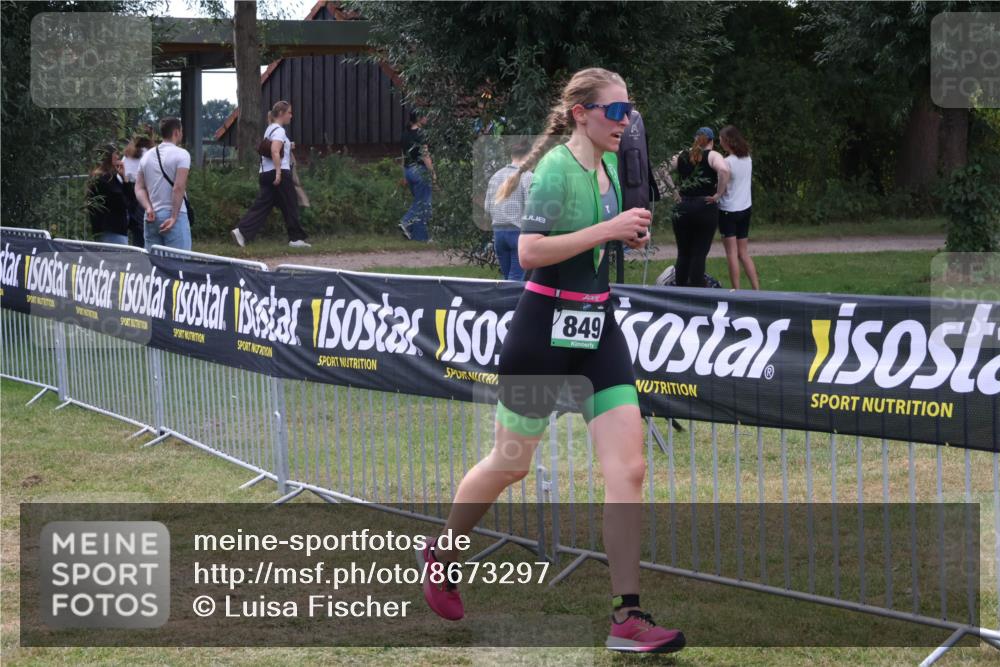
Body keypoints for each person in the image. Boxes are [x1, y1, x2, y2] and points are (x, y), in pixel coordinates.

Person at [415, 68, 685, 655]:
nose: (626, 123)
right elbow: (532, 251)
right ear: (582, 113)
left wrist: (624, 235)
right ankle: (443, 552)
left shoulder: (611, 165)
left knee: (629, 470)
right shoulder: (558, 169)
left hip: (597, 328)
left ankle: (627, 616)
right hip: (544, 327)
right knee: (510, 463)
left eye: (629, 112)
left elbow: (594, 233)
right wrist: (607, 229)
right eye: (616, 112)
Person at [231, 101, 311, 249]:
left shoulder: (269, 130)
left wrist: (288, 145)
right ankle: (296, 239)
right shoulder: (280, 131)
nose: (291, 116)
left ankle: (241, 232)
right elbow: (274, 151)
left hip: (265, 173)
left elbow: (274, 148)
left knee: (262, 206)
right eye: (289, 113)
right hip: (278, 173)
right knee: (291, 204)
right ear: (281, 113)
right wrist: (279, 173)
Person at [666, 127, 730, 287]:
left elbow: (661, 169)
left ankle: (679, 290)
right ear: (712, 141)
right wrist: (718, 194)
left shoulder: (682, 155)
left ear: (695, 139)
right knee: (699, 254)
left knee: (683, 253)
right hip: (705, 207)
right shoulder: (713, 155)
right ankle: (697, 291)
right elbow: (723, 170)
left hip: (683, 206)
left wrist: (674, 192)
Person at [135, 117, 192, 251]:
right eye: (181, 131)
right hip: (174, 215)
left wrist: (148, 207)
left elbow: (139, 188)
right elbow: (178, 187)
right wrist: (173, 216)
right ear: (176, 132)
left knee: (154, 266)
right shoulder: (182, 154)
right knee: (178, 265)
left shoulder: (146, 156)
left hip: (151, 216)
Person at [717, 125, 760, 290]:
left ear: (727, 141)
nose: (719, 141)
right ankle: (756, 289)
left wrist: (716, 194)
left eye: (721, 139)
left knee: (731, 253)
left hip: (728, 210)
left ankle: (736, 291)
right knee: (743, 253)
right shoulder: (747, 158)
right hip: (745, 209)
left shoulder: (726, 163)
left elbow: (723, 186)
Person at [484, 139, 533, 280]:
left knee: (507, 276)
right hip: (518, 232)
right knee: (516, 278)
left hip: (498, 232)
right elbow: (531, 207)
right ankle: (512, 303)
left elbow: (488, 206)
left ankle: (505, 302)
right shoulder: (527, 176)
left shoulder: (496, 176)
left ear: (512, 155)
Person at [399, 109, 435, 242]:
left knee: (421, 201)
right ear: (419, 118)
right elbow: (425, 155)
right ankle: (406, 221)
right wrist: (432, 172)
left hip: (409, 171)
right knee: (423, 202)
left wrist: (404, 175)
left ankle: (420, 237)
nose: (427, 118)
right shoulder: (421, 134)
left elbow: (403, 156)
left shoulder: (405, 135)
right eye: (425, 116)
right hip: (420, 171)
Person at [86, 144, 130, 245]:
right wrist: (125, 182)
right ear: (108, 157)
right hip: (112, 230)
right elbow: (123, 203)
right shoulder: (106, 179)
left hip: (104, 229)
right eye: (115, 154)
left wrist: (124, 178)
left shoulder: (103, 177)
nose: (118, 157)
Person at [122, 134, 155, 248]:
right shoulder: (149, 153)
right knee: (145, 224)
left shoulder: (126, 155)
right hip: (144, 190)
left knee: (136, 228)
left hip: (129, 191)